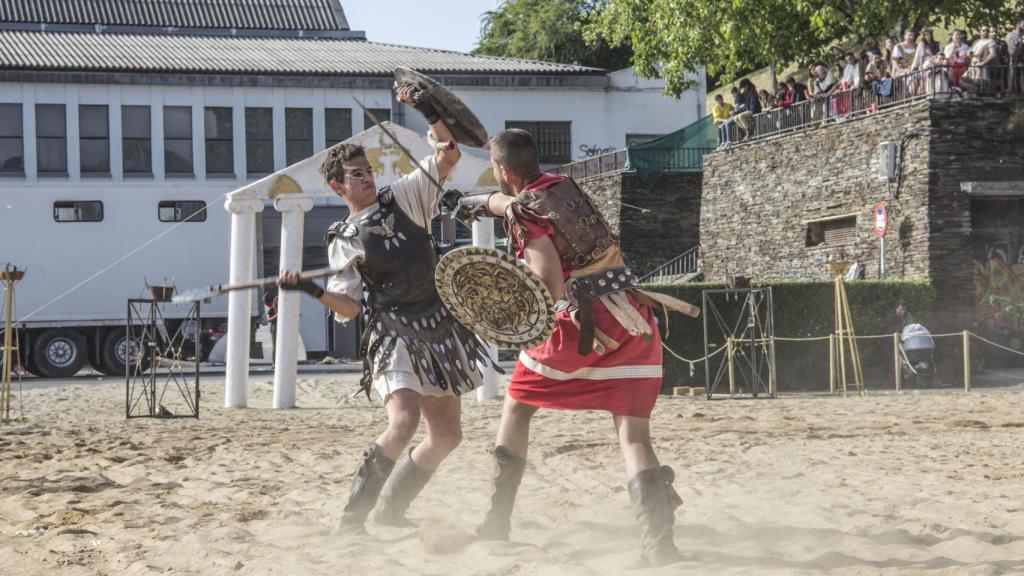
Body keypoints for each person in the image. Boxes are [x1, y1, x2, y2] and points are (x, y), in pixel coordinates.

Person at [457, 129, 691, 567]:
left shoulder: (524, 212)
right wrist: (484, 202)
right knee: (633, 435)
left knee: (517, 407)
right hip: (631, 318)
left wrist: (518, 311)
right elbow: (523, 204)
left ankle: (496, 520)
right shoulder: (562, 185)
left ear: (503, 171)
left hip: (582, 325)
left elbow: (548, 280)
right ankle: (660, 546)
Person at [278, 83, 495, 535]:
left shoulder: (405, 197)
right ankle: (351, 522)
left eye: (368, 170)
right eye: (356, 174)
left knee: (448, 436)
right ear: (338, 186)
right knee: (404, 421)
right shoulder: (345, 238)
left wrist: (426, 108)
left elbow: (448, 154)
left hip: (438, 327)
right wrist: (311, 290)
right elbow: (350, 308)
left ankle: (391, 510)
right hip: (394, 332)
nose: (367, 178)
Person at [263, 291, 278, 368]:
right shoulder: (272, 310)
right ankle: (274, 362)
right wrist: (276, 316)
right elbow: (268, 319)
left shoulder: (279, 308)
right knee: (275, 347)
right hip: (274, 329)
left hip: (279, 329)